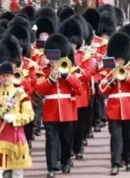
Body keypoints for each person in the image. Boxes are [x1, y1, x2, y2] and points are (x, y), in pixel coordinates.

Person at [35, 34, 82, 178]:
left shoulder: (70, 70)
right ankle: (51, 167)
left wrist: (66, 76)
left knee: (66, 139)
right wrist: (51, 78)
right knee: (51, 140)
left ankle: (65, 162)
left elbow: (79, 88)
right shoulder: (43, 71)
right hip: (50, 110)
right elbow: (38, 90)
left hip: (67, 110)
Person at [99, 33, 130, 175]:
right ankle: (115, 163)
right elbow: (102, 89)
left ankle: (128, 160)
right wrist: (112, 78)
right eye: (117, 59)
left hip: (128, 108)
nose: (119, 62)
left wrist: (126, 75)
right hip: (114, 108)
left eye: (121, 59)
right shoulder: (108, 72)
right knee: (116, 137)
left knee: (128, 136)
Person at [0, 61, 34, 178]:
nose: (5, 78)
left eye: (7, 75)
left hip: (15, 136)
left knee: (17, 173)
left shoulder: (20, 94)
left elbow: (30, 115)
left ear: (13, 76)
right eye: (2, 75)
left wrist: (15, 118)